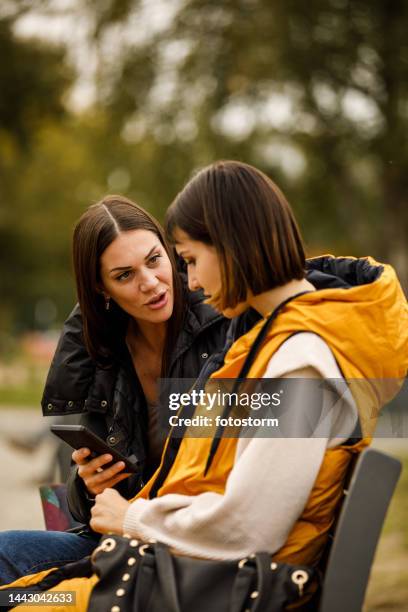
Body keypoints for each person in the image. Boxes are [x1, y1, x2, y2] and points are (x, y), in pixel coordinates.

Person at [4, 162, 408, 610]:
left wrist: (133, 517)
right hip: (173, 565)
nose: (186, 281)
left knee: (24, 599)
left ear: (233, 246)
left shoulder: (298, 364)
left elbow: (250, 527)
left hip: (195, 580)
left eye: (187, 259)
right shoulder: (266, 349)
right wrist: (98, 493)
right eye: (124, 275)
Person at [0, 195, 231, 584]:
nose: (150, 283)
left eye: (154, 260)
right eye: (124, 275)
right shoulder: (102, 355)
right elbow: (80, 505)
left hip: (191, 547)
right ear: (102, 289)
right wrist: (90, 485)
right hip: (121, 543)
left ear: (169, 251)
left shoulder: (224, 326)